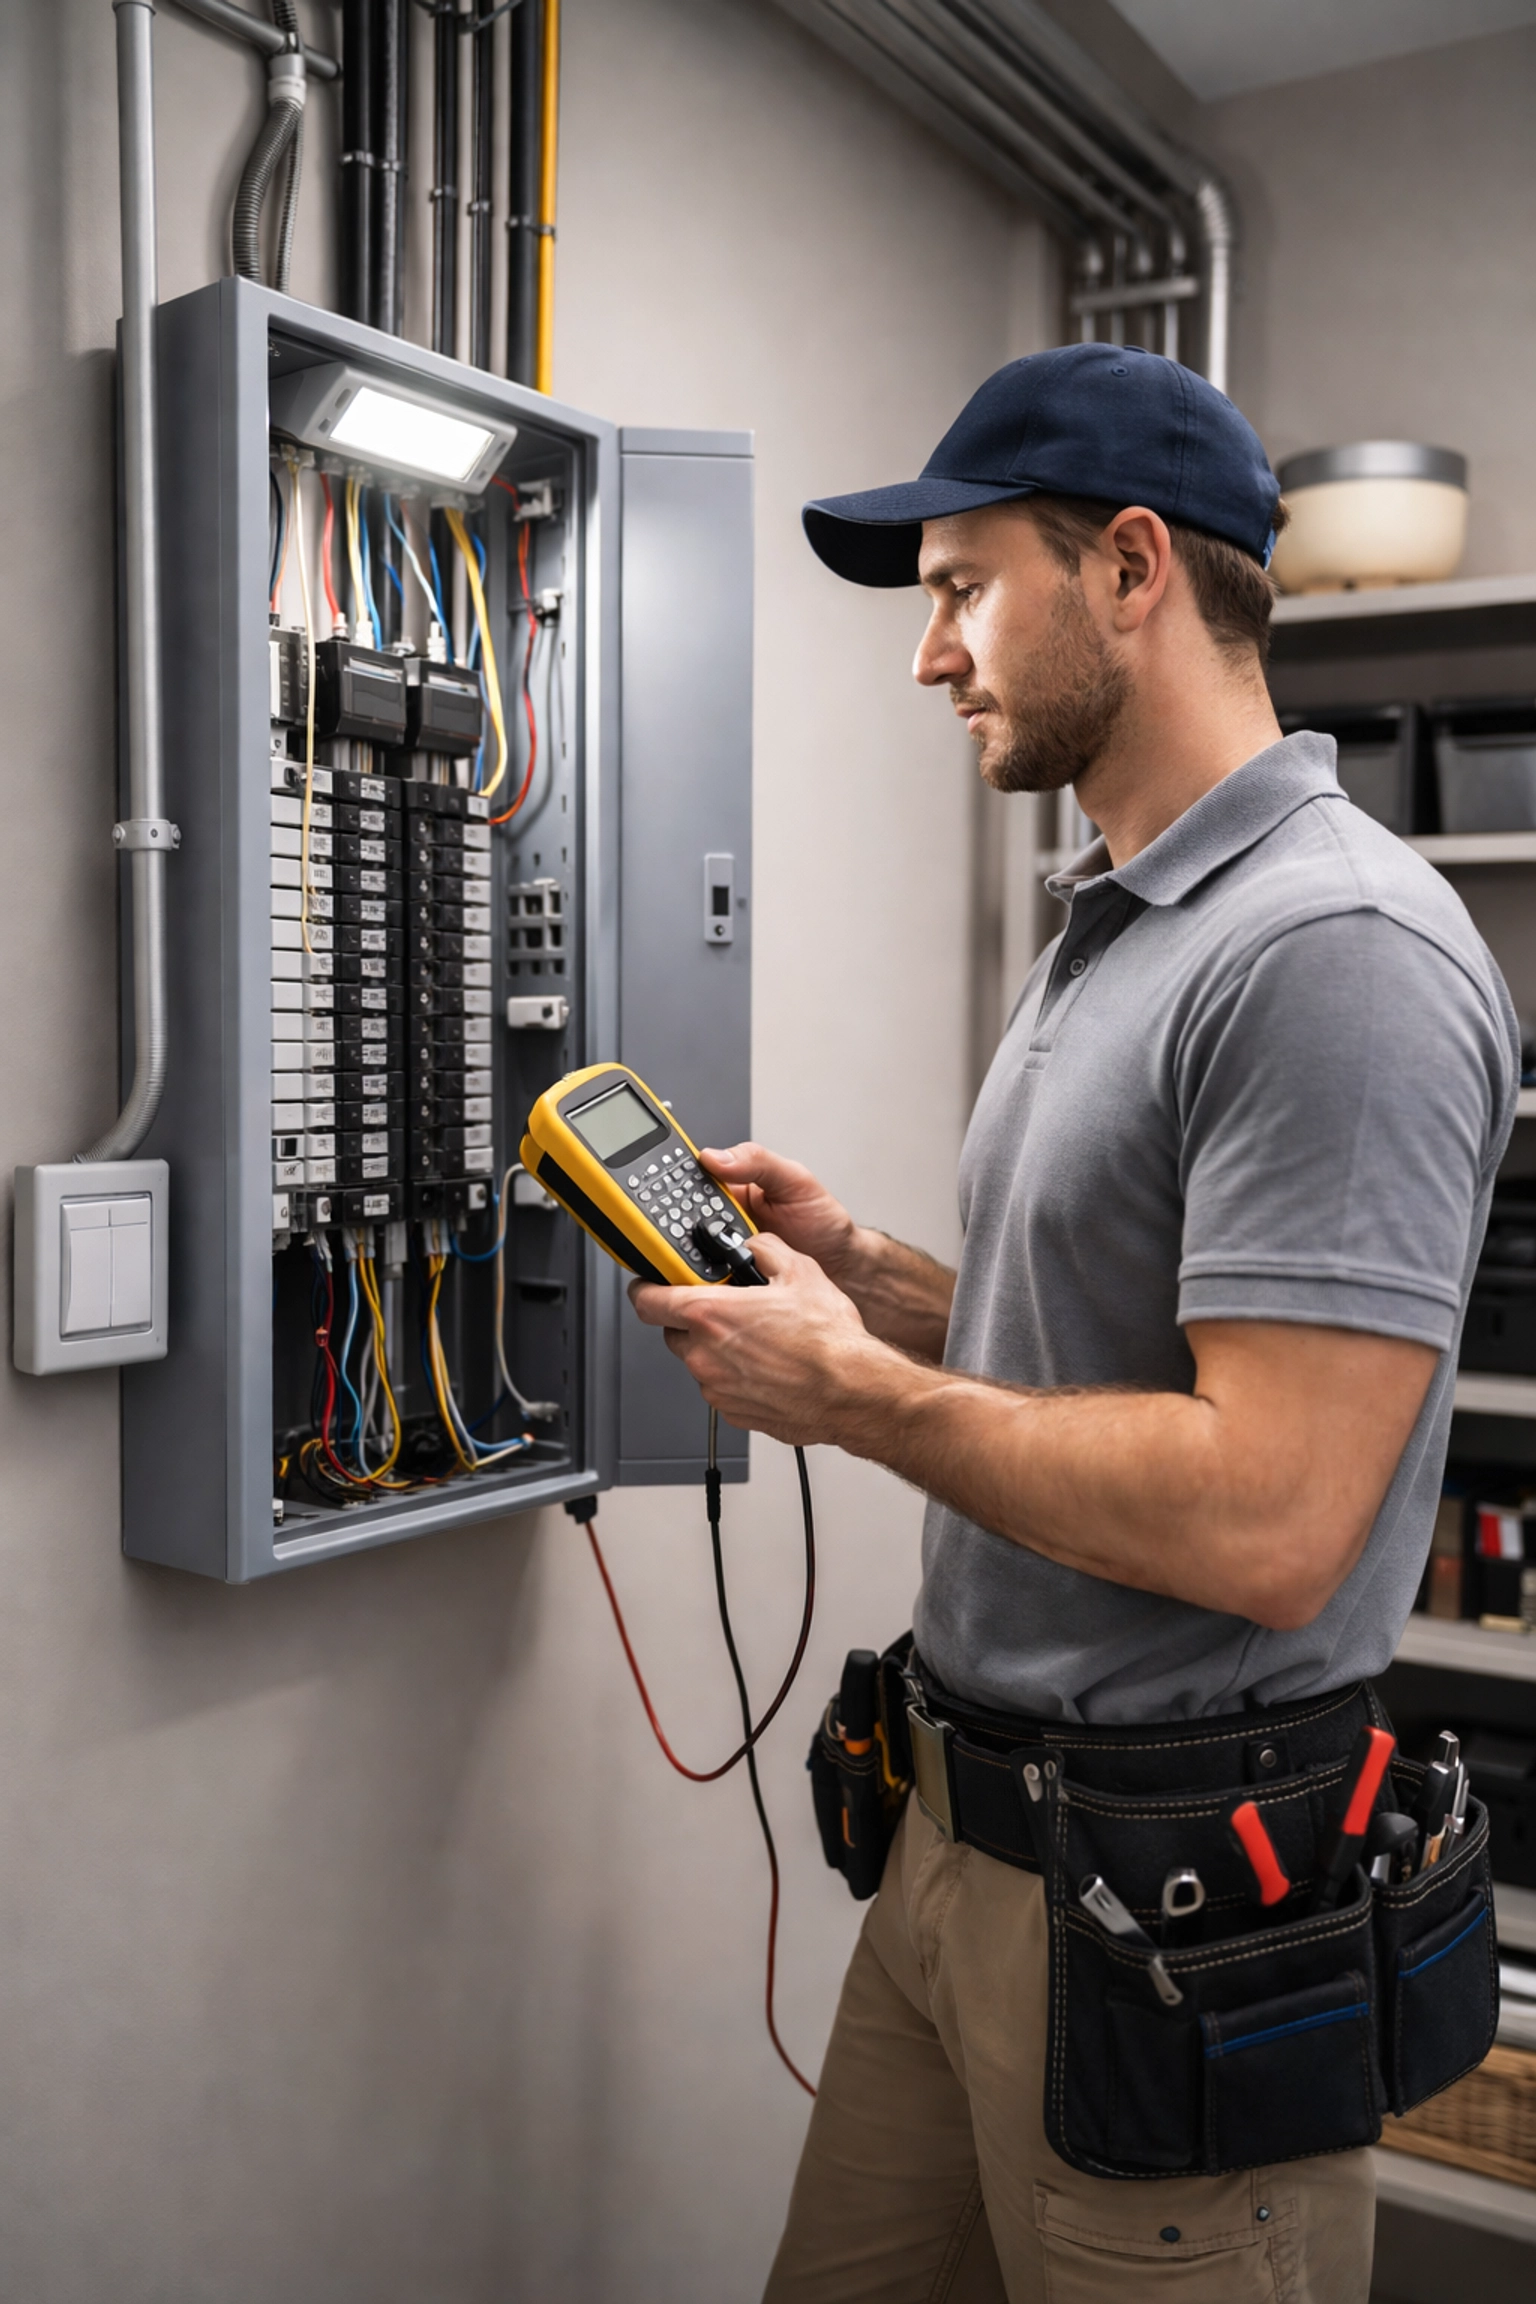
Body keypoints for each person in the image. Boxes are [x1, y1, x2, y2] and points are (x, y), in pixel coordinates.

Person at [631, 344, 1518, 2303]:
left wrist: (858, 1404)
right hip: (957, 1855)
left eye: (961, 589)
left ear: (1130, 570)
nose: (929, 654)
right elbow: (1119, 1354)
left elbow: (1271, 1513)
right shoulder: (1119, 920)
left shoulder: (1332, 956)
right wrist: (876, 1279)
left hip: (1177, 1914)